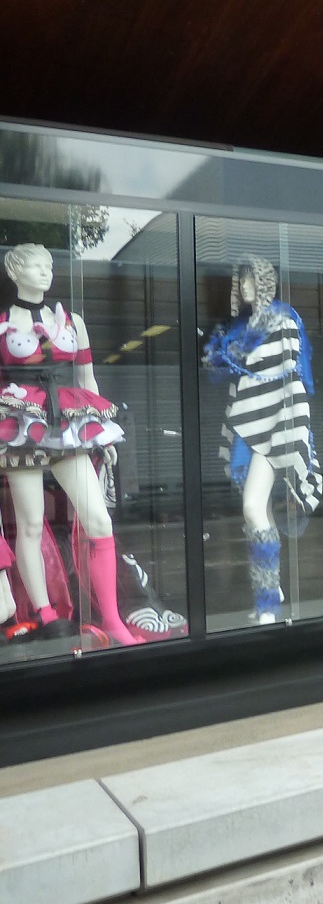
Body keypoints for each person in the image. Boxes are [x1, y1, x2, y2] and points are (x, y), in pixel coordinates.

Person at [0, 243, 131, 642]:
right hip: (20, 424)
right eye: (37, 266)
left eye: (50, 266)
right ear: (14, 272)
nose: (46, 272)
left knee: (98, 520)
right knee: (31, 524)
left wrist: (101, 431)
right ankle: (45, 613)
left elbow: (87, 378)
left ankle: (112, 619)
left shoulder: (72, 320)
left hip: (67, 421)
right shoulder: (2, 322)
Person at [203, 256, 322, 624]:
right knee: (261, 512)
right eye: (241, 282)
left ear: (267, 282)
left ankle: (269, 600)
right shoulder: (234, 329)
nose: (246, 287)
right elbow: (220, 376)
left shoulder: (283, 317)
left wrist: (293, 425)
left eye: (253, 280)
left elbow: (295, 375)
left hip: (277, 422)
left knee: (253, 508)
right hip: (246, 422)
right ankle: (271, 591)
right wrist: (216, 356)